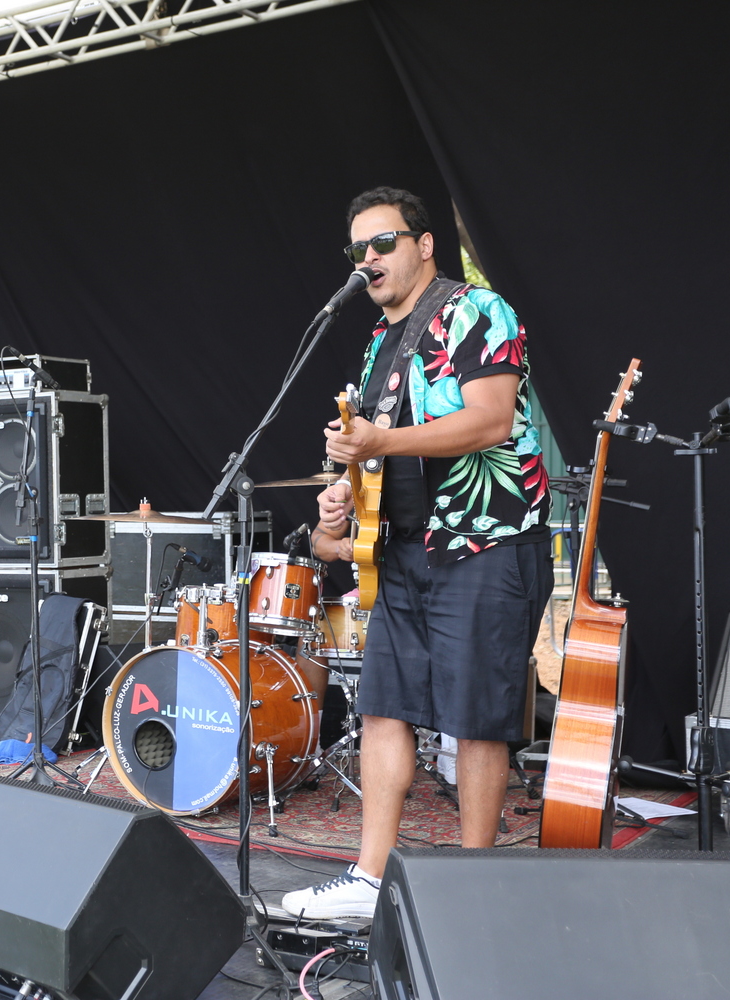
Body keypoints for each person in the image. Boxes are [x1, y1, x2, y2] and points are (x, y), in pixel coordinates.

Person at [283, 187, 552, 921]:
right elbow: (375, 447)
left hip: (485, 543)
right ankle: (369, 880)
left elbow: (491, 421)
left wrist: (379, 443)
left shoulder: (476, 312)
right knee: (384, 709)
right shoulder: (378, 341)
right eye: (357, 251)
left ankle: (474, 889)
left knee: (475, 718)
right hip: (403, 549)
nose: (368, 260)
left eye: (383, 243)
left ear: (425, 244)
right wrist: (343, 492)